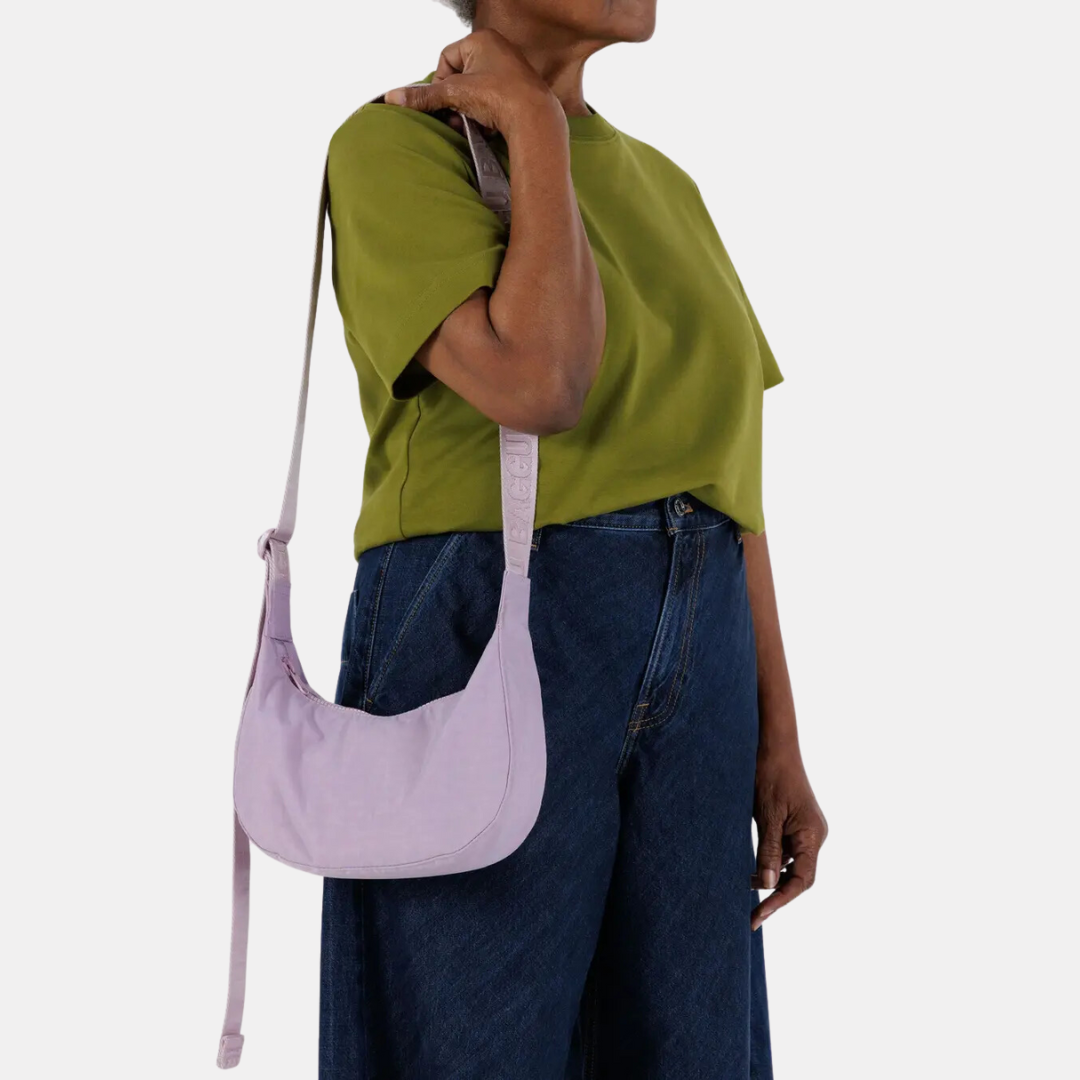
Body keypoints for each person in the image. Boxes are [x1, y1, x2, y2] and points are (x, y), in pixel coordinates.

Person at [319, 2, 827, 1077]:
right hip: (490, 621)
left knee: (689, 1052)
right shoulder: (391, 147)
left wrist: (776, 735)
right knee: (469, 1046)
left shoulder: (668, 185)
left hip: (703, 651)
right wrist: (536, 131)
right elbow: (539, 382)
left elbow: (731, 483)